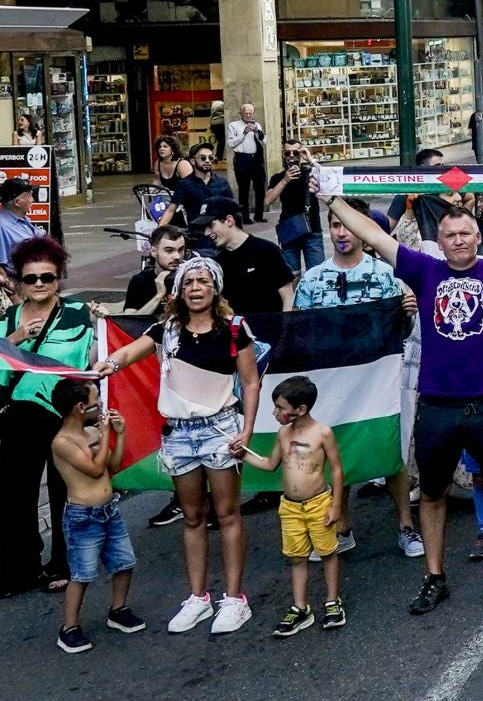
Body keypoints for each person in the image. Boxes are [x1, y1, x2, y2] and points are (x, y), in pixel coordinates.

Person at [318, 183, 483, 615]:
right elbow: (375, 236)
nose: (459, 240)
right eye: (450, 236)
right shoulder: (425, 271)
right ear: (439, 242)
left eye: (465, 234)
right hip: (437, 405)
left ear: (477, 237)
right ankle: (434, 576)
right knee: (431, 493)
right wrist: (331, 200)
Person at [94, 257, 262, 636]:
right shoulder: (166, 329)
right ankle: (198, 597)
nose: (196, 288)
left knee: (228, 513)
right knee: (191, 516)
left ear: (215, 288)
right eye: (189, 282)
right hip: (179, 434)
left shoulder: (235, 329)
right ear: (179, 290)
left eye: (203, 281)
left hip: (221, 429)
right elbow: (130, 352)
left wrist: (247, 431)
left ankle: (235, 599)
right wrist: (109, 363)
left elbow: (250, 383)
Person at [293, 199, 417, 558]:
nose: (341, 233)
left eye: (348, 225)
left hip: (379, 382)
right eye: (334, 225)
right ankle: (341, 525)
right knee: (337, 454)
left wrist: (408, 313)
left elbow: (402, 332)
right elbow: (299, 332)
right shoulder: (313, 278)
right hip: (331, 383)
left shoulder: (386, 275)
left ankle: (406, 527)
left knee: (391, 452)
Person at [0, 237, 95, 596]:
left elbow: (91, 360)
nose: (39, 284)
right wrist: (18, 336)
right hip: (19, 416)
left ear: (59, 279)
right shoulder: (10, 318)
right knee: (15, 496)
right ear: (19, 282)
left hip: (63, 415)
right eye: (31, 278)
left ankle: (63, 564)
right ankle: (19, 568)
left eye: (48, 277)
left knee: (63, 492)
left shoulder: (79, 312)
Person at [233, 376, 347, 636]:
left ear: (301, 409)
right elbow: (271, 464)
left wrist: (336, 506)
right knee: (297, 557)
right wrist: (244, 455)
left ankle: (332, 601)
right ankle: (300, 607)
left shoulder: (322, 433)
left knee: (328, 553)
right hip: (291, 507)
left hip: (319, 504)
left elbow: (338, 470)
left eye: (280, 408)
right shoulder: (283, 433)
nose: (275, 412)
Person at [48, 379, 141, 653]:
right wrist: (105, 433)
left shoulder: (91, 433)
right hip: (82, 517)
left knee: (124, 562)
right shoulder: (62, 442)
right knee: (82, 574)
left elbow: (112, 465)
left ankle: (118, 609)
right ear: (80, 407)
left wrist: (119, 435)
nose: (100, 404)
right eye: (96, 398)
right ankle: (69, 628)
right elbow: (94, 469)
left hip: (108, 510)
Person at [197, 198, 295, 315]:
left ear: (229, 221)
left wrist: (286, 327)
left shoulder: (266, 250)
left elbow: (288, 295)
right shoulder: (218, 262)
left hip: (271, 328)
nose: (206, 233)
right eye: (204, 228)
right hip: (238, 331)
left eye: (210, 225)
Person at [263, 139, 324, 275]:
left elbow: (330, 179)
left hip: (312, 229)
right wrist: (285, 180)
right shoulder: (278, 177)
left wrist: (310, 159)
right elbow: (267, 201)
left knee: (316, 274)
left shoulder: (311, 172)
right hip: (289, 230)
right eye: (287, 153)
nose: (291, 156)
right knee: (291, 276)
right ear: (283, 155)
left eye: (295, 152)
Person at [157, 143, 236, 243]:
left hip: (222, 236)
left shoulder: (222, 182)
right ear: (193, 161)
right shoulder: (185, 184)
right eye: (203, 158)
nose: (207, 161)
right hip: (198, 237)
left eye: (210, 158)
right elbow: (170, 210)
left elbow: (233, 209)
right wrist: (158, 232)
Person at [226, 103, 269, 224]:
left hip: (257, 159)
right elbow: (231, 143)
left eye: (251, 113)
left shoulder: (257, 124)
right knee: (244, 189)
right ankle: (244, 216)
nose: (249, 115)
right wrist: (244, 133)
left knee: (260, 187)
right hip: (242, 159)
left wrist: (257, 132)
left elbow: (264, 141)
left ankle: (259, 214)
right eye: (246, 113)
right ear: (241, 113)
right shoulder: (233, 125)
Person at [0, 178, 36, 260]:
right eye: (29, 196)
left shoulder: (23, 219)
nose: (32, 200)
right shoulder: (2, 227)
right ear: (17, 202)